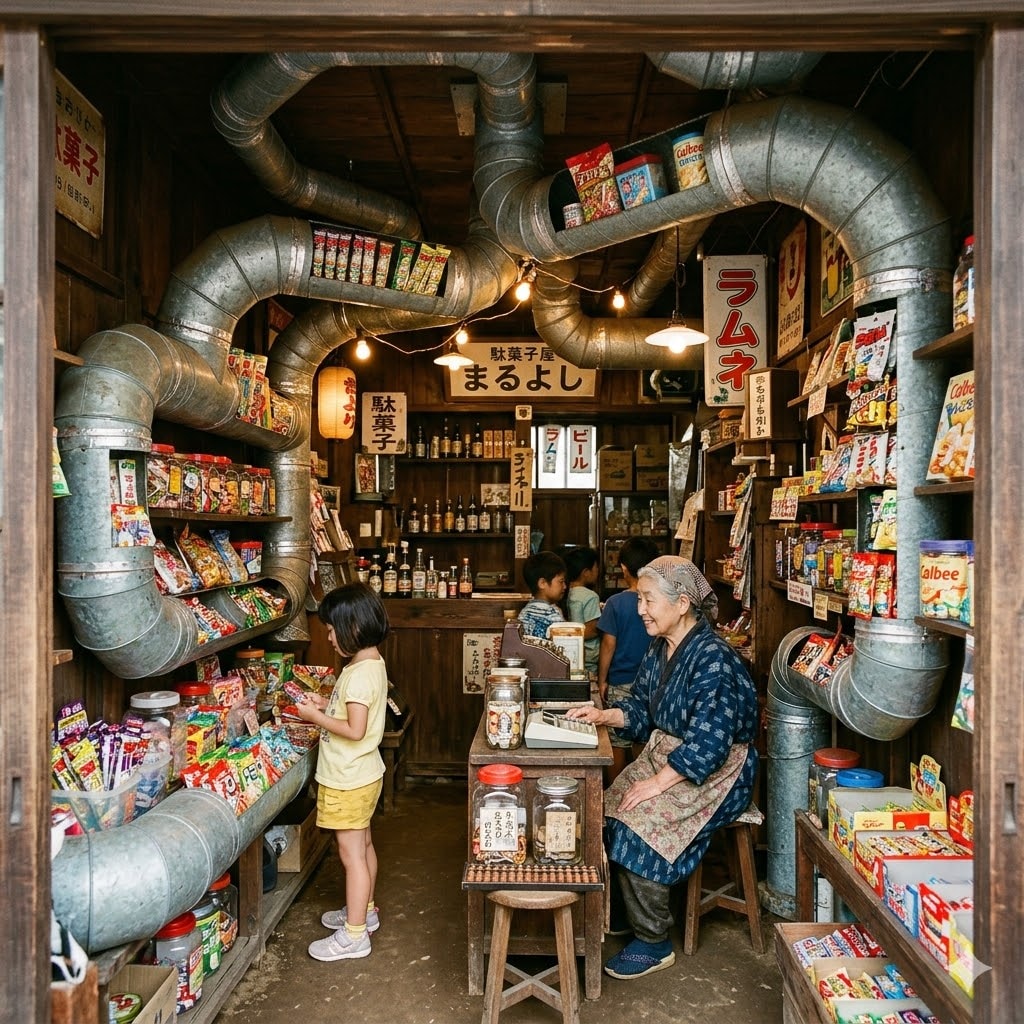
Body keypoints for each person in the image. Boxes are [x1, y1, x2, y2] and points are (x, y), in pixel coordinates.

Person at [566, 556, 758, 980]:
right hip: (666, 754)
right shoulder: (659, 649)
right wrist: (602, 716)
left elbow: (710, 744)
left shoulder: (714, 659)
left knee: (640, 822)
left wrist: (657, 784)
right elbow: (638, 709)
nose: (641, 611)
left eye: (649, 600)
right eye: (639, 600)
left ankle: (653, 940)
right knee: (604, 806)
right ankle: (625, 910)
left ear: (683, 603)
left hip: (716, 769)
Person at [295, 582, 390, 962]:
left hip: (348, 778)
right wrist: (326, 703)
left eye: (333, 630)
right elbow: (355, 714)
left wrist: (316, 716)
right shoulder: (370, 664)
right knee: (363, 847)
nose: (330, 638)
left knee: (351, 855)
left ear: (352, 627)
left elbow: (355, 729)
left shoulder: (357, 675)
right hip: (364, 773)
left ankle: (354, 936)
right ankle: (363, 912)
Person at [595, 536, 662, 781]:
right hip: (654, 682)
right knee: (646, 740)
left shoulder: (615, 603)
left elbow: (608, 644)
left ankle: (617, 793)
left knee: (617, 741)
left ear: (623, 568)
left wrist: (602, 680)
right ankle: (643, 790)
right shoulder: (661, 602)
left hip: (621, 680)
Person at [563, 546, 601, 677]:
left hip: (570, 655)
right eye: (596, 567)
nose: (598, 571)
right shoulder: (590, 596)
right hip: (588, 658)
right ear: (586, 572)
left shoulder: (565, 593)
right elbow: (593, 629)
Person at [517, 550, 567, 639]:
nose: (565, 586)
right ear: (542, 583)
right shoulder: (553, 614)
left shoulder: (524, 613)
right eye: (561, 581)